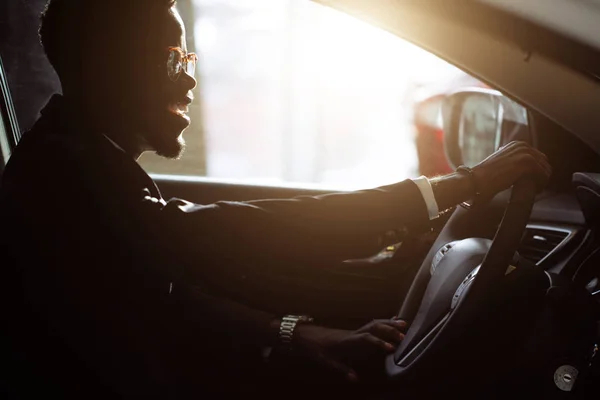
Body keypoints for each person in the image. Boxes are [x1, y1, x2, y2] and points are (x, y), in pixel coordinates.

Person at [0, 0, 551, 398]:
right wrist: (461, 185)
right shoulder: (64, 175)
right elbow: (229, 236)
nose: (189, 82)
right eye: (173, 60)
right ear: (108, 70)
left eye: (189, 63)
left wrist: (293, 332)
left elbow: (162, 294)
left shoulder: (91, 161)